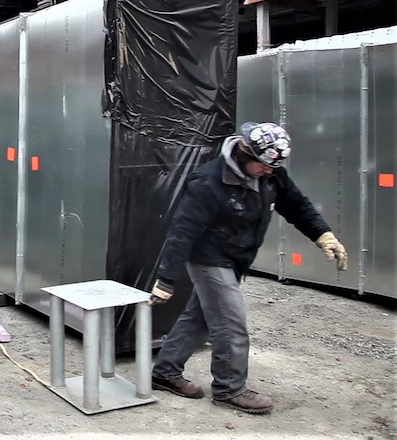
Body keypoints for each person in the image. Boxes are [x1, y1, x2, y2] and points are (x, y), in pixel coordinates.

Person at [148, 122, 347, 415]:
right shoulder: (208, 182)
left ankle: (165, 372)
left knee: (200, 317)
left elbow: (296, 205)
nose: (269, 172)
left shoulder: (270, 171)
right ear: (244, 151)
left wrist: (323, 235)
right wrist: (166, 278)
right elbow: (182, 231)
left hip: (237, 258)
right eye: (264, 166)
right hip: (209, 258)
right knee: (231, 323)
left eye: (273, 168)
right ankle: (229, 389)